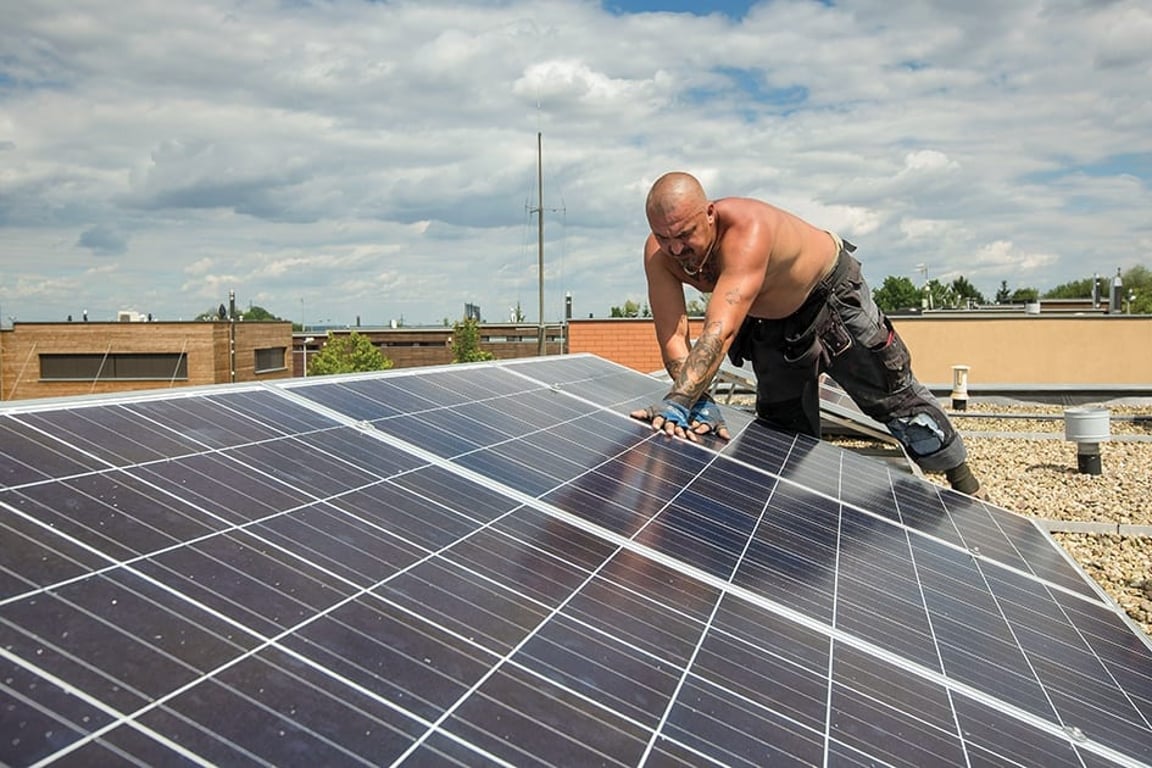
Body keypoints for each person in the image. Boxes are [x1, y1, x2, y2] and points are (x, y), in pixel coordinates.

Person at [629, 171, 983, 497]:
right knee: (782, 426)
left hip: (831, 298)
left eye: (685, 234)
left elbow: (719, 332)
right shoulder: (659, 255)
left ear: (709, 213)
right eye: (664, 237)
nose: (676, 249)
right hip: (770, 320)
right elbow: (674, 337)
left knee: (895, 401)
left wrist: (679, 401)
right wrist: (699, 399)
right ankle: (786, 521)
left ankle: (963, 481)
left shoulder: (747, 230)